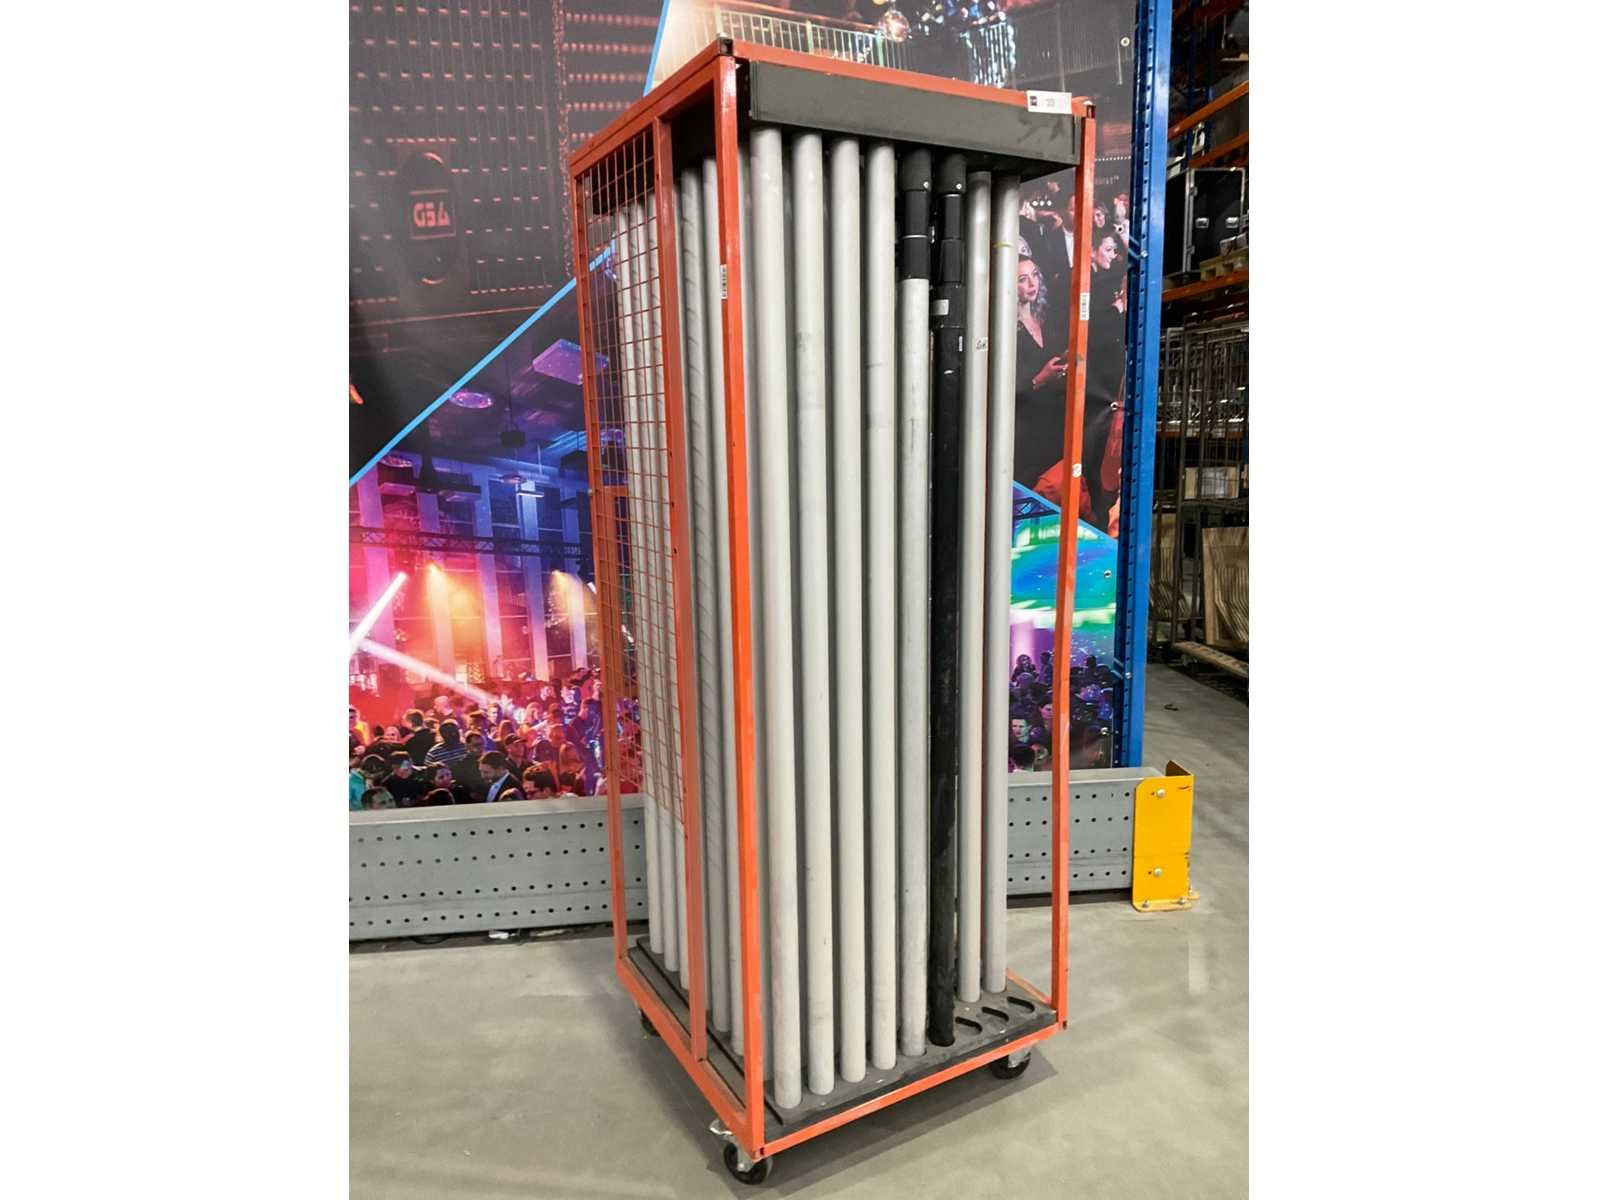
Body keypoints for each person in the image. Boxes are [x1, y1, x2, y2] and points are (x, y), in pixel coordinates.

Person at [1012, 255, 1074, 493]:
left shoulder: (1046, 319)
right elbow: (1000, 387)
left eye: (1035, 275)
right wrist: (1039, 379)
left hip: (1053, 425)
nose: (1032, 284)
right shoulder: (1004, 327)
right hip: (1024, 432)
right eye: (1022, 279)